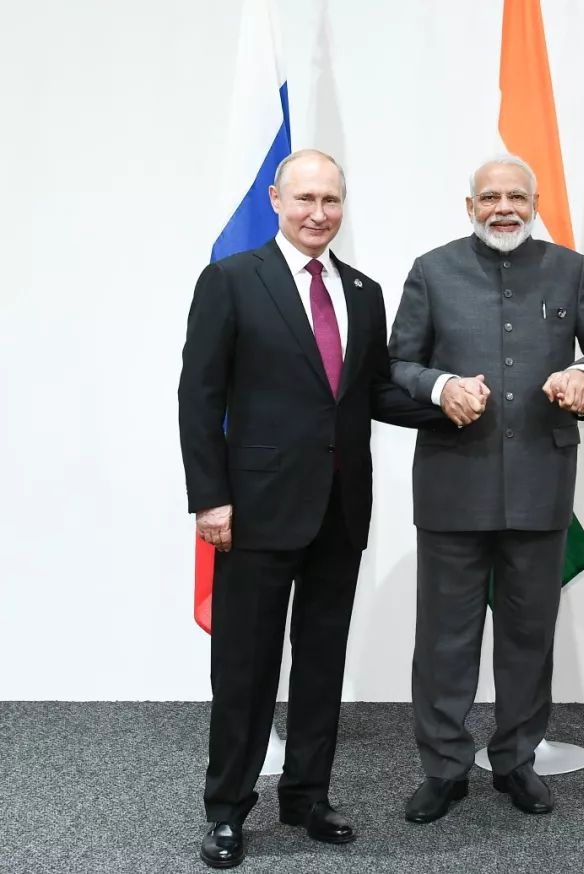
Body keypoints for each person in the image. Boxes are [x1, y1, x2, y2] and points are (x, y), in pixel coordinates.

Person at [178, 149, 461, 868]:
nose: (318, 213)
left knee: (320, 662)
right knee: (244, 668)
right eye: (305, 198)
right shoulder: (231, 280)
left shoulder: (363, 291)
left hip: (339, 509)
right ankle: (227, 809)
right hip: (254, 512)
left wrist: (445, 400)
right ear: (276, 199)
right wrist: (210, 499)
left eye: (331, 200)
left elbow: (372, 393)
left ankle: (307, 796)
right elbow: (199, 397)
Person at [388, 154, 584, 823]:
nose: (504, 208)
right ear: (469, 207)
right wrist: (439, 386)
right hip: (452, 484)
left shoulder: (568, 269)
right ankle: (444, 768)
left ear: (534, 204)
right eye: (490, 197)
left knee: (529, 634)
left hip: (540, 483)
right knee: (445, 640)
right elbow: (396, 361)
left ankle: (517, 761)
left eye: (516, 197)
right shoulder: (431, 270)